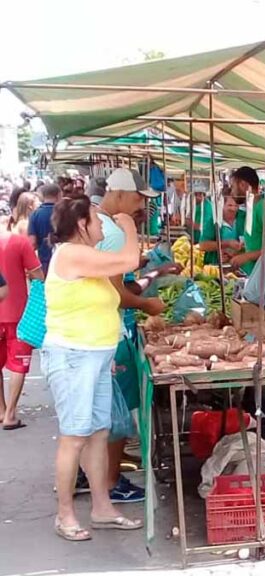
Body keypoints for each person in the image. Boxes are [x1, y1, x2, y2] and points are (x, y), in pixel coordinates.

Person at [44, 195, 144, 541]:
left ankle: (102, 507)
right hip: (73, 357)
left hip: (95, 357)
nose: (103, 225)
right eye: (97, 220)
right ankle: (65, 514)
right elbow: (130, 258)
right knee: (74, 437)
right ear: (82, 225)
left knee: (98, 433)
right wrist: (129, 224)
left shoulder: (88, 258)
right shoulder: (72, 253)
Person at [95, 169, 171, 504]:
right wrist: (147, 304)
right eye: (139, 199)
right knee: (117, 413)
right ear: (122, 194)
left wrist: (151, 273)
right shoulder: (112, 232)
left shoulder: (97, 222)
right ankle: (111, 482)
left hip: (100, 329)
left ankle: (96, 473)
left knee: (102, 411)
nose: (143, 207)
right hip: (112, 328)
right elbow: (117, 293)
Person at [0, 228, 40, 430]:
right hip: (17, 313)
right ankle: (10, 414)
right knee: (18, 364)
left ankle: (1, 409)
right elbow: (38, 274)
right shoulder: (20, 242)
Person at [198, 196, 243, 265]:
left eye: (236, 205)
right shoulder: (214, 220)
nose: (233, 209)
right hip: (215, 264)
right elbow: (203, 245)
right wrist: (227, 244)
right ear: (222, 205)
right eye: (230, 205)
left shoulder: (243, 217)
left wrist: (235, 254)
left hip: (239, 265)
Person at [28, 183, 60, 275]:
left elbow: (32, 242)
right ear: (58, 195)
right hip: (62, 257)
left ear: (43, 196)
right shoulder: (63, 212)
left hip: (44, 259)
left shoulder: (34, 215)